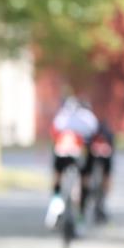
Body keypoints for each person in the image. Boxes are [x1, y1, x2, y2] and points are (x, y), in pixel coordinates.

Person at [44, 96, 99, 229]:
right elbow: (94, 133)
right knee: (84, 178)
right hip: (81, 153)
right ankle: (80, 212)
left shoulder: (62, 116)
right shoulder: (87, 117)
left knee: (57, 176)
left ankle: (55, 205)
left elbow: (54, 132)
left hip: (63, 153)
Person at [88, 118, 116, 223]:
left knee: (86, 175)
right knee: (107, 176)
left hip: (96, 152)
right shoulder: (107, 132)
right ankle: (102, 197)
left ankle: (89, 194)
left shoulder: (89, 126)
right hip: (105, 153)